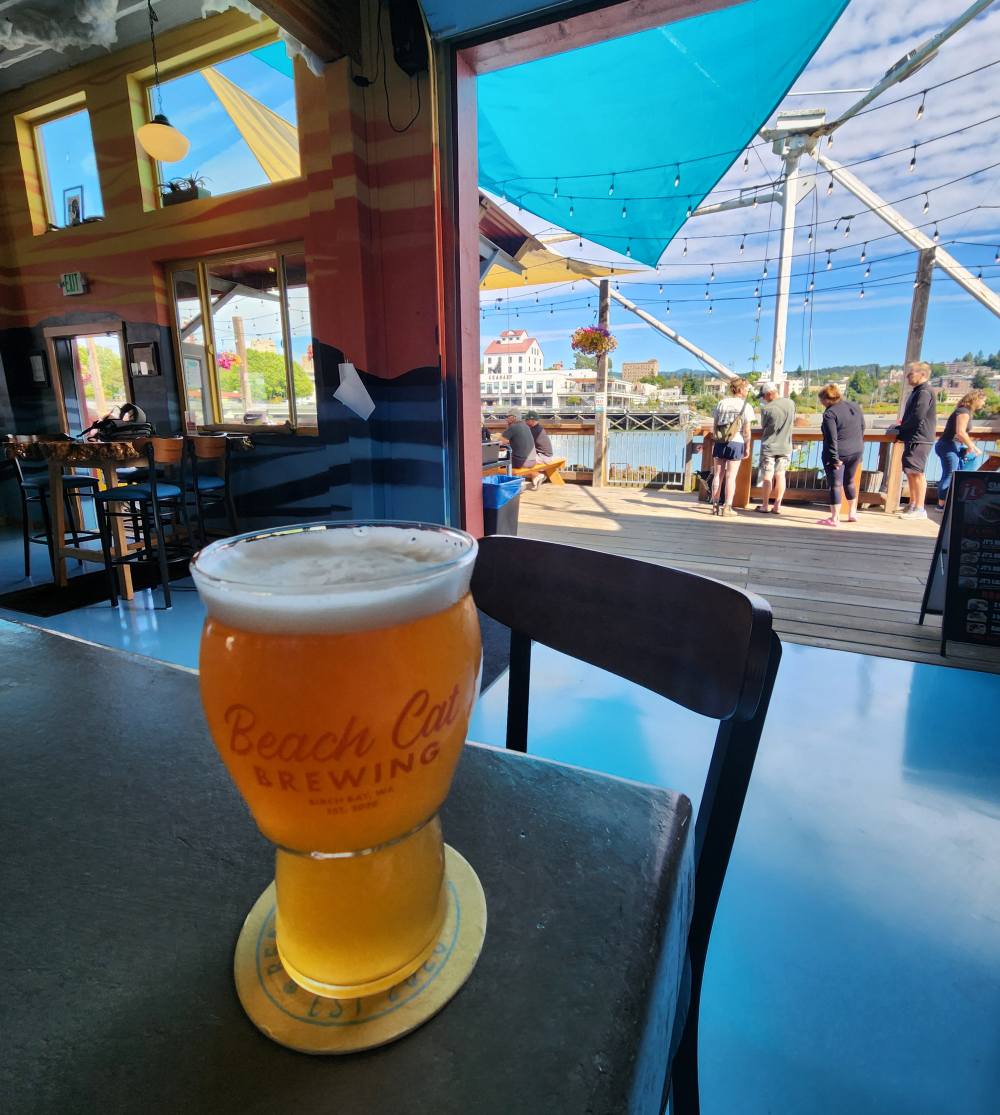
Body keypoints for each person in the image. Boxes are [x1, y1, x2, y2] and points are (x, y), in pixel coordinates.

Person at [817, 383, 865, 527]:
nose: (821, 403)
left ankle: (835, 518)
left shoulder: (829, 413)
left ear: (826, 400)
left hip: (839, 453)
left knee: (836, 484)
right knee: (850, 481)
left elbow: (831, 438)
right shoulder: (854, 406)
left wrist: (833, 458)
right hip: (856, 450)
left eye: (821, 401)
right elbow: (862, 426)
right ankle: (852, 513)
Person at [894, 361, 936, 521]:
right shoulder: (918, 391)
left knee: (917, 472)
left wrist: (901, 429)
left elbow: (918, 415)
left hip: (920, 437)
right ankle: (913, 504)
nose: (907, 376)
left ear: (922, 374)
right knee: (911, 471)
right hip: (914, 436)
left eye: (910, 373)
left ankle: (920, 508)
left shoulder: (925, 391)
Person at [710, 377, 754, 517]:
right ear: (740, 390)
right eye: (746, 389)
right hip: (737, 441)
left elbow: (715, 426)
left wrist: (716, 440)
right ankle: (727, 507)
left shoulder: (721, 403)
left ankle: (715, 504)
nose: (747, 392)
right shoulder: (745, 406)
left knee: (718, 474)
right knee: (731, 476)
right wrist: (747, 447)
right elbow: (746, 431)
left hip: (720, 441)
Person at [934, 390, 985, 509]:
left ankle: (944, 503)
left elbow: (962, 434)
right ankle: (942, 505)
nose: (983, 404)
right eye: (983, 401)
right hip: (948, 445)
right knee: (950, 475)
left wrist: (970, 446)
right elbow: (961, 432)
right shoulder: (964, 412)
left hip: (948, 445)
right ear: (976, 399)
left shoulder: (964, 411)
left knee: (948, 474)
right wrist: (972, 446)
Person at [755, 381, 795, 515]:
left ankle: (765, 505)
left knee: (767, 475)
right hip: (785, 446)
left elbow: (764, 426)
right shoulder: (791, 404)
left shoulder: (767, 409)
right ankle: (777, 505)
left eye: (764, 396)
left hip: (769, 446)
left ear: (770, 393)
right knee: (780, 475)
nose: (763, 399)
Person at [524, 411, 554, 490]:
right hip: (545, 455)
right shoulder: (536, 428)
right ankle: (536, 483)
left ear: (532, 421)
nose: (525, 421)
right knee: (526, 460)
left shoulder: (534, 431)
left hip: (543, 456)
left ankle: (539, 476)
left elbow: (525, 443)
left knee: (522, 462)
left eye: (526, 419)